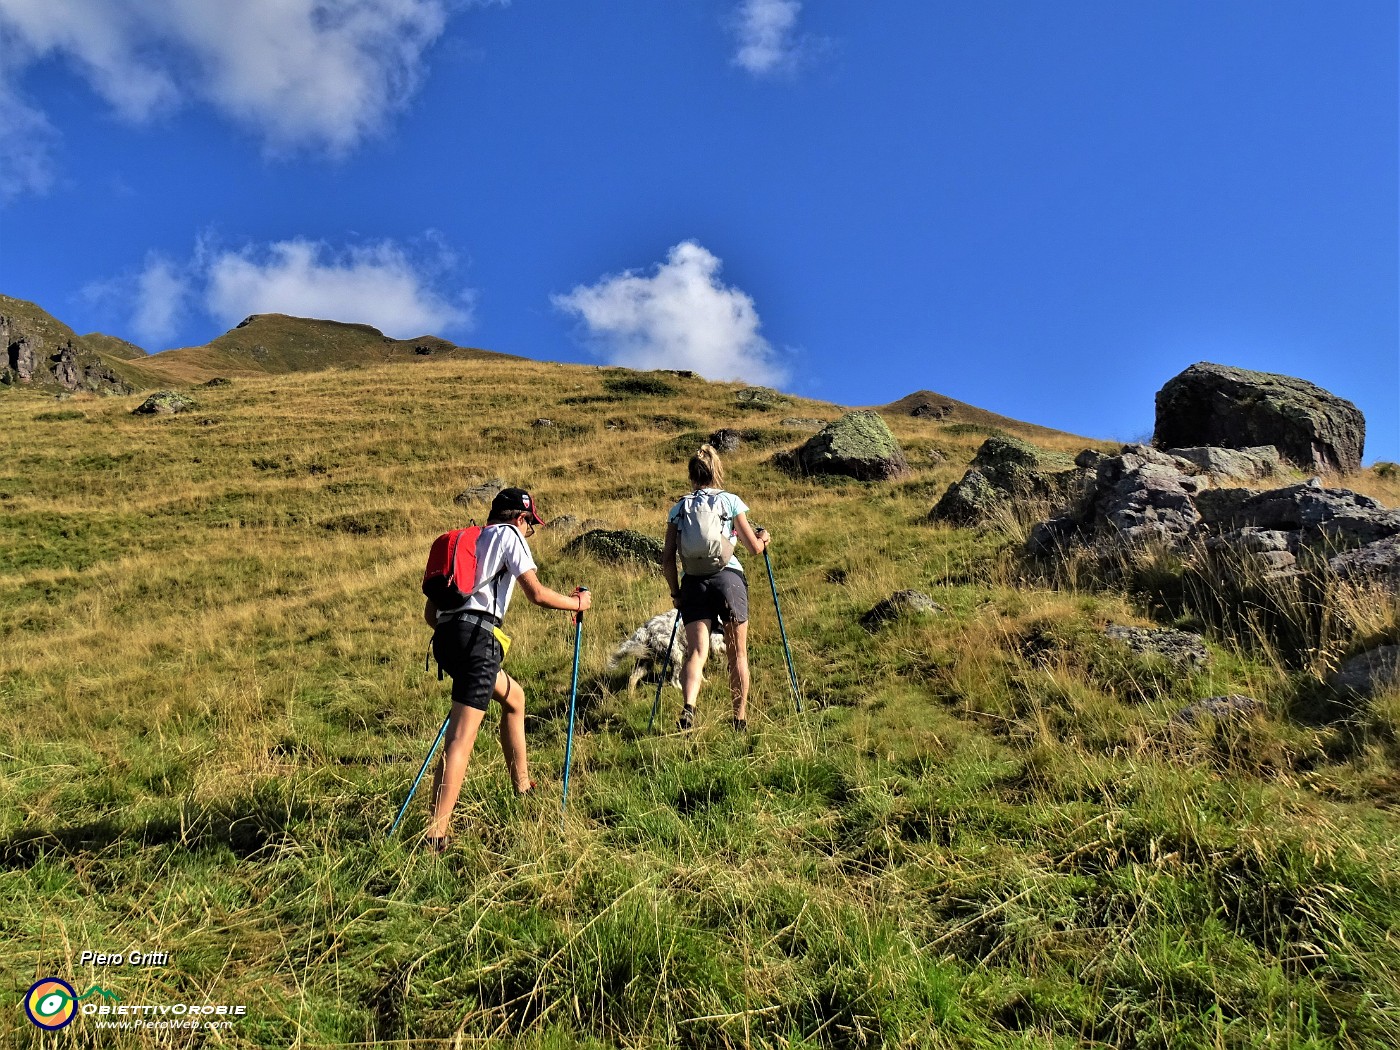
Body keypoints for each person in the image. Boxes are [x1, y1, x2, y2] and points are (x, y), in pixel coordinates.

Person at [422, 487, 591, 851]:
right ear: (521, 517)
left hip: (447, 638)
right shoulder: (509, 535)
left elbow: (429, 614)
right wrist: (577, 602)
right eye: (530, 523)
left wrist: (459, 632)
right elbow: (537, 593)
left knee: (515, 697)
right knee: (460, 739)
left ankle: (523, 786)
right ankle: (436, 835)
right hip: (478, 642)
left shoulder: (470, 540)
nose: (529, 530)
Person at [661, 444, 770, 731]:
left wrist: (676, 594)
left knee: (697, 652)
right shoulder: (731, 501)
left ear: (692, 474)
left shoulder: (679, 508)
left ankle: (689, 707)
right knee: (738, 655)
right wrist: (764, 539)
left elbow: (667, 559)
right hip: (728, 579)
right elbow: (753, 548)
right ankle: (739, 719)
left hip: (693, 582)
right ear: (716, 471)